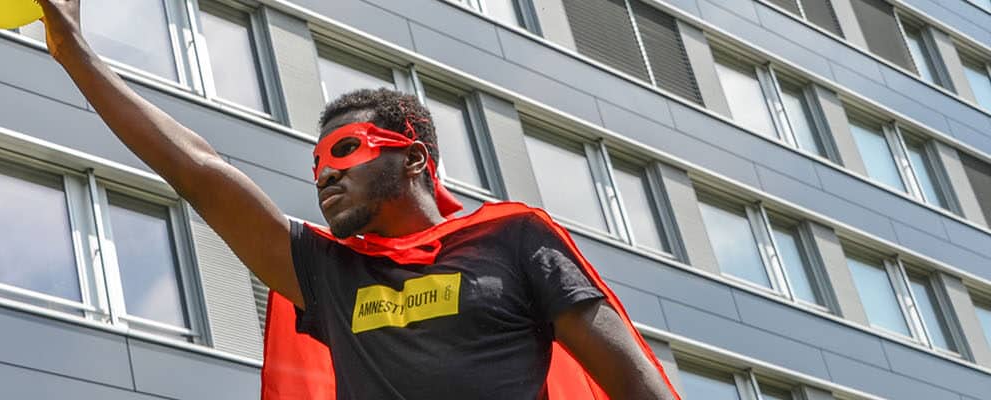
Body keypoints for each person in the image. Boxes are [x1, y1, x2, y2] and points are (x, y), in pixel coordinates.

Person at [34, 1, 679, 399]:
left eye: (345, 151)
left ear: (416, 158)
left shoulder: (514, 238)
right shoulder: (329, 273)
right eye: (316, 162)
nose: (323, 174)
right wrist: (74, 53)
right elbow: (198, 171)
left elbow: (633, 383)